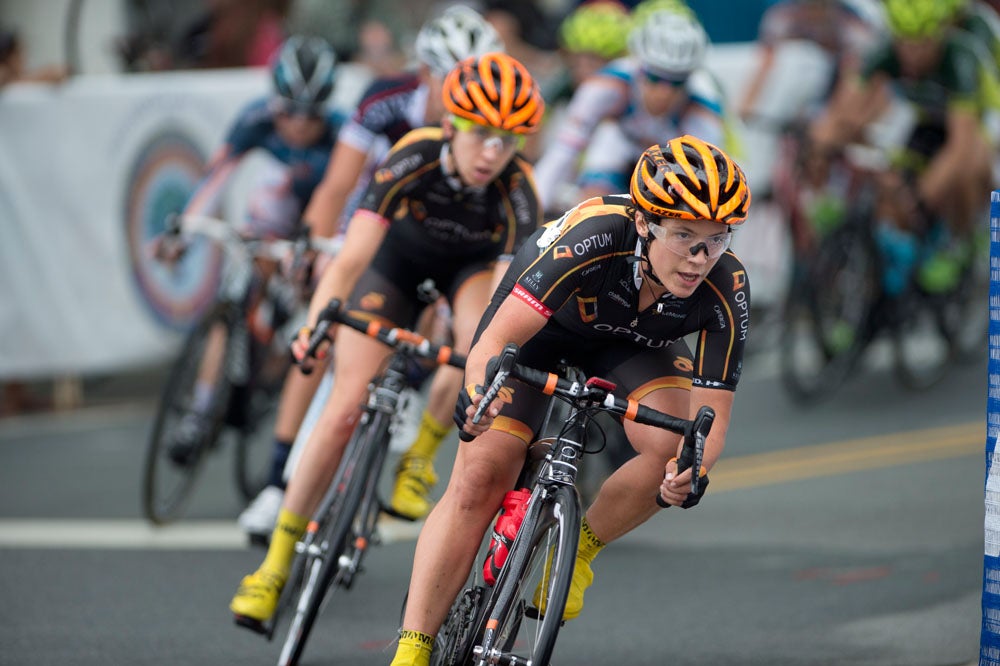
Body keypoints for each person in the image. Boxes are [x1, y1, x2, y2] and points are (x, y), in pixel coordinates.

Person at [387, 134, 751, 666]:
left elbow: (711, 417)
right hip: (543, 330)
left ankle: (577, 549)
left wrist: (690, 472)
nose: (699, 258)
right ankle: (413, 647)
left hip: (632, 343)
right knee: (482, 473)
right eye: (683, 236)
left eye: (717, 239)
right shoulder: (595, 235)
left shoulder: (726, 282)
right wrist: (476, 394)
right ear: (645, 222)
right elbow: (494, 341)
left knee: (674, 448)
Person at [228, 51, 546, 630]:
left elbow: (505, 303)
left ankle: (419, 455)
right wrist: (316, 321)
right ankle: (274, 565)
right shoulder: (413, 154)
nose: (493, 153)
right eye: (481, 134)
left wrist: (484, 364)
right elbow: (351, 256)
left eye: (509, 139)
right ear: (451, 123)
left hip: (468, 273)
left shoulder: (519, 189)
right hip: (393, 267)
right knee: (347, 402)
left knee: (482, 338)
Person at [236, 4, 506, 540]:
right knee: (325, 324)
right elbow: (338, 185)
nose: (468, 94)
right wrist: (314, 246)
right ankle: (275, 482)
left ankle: (397, 404)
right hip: (371, 223)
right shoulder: (384, 103)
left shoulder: (487, 131)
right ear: (425, 73)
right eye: (453, 80)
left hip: (439, 240)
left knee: (445, 317)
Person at [152, 36, 345, 464]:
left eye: (309, 114)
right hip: (278, 209)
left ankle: (280, 364)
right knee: (238, 287)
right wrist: (181, 232)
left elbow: (351, 200)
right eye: (287, 110)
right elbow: (215, 177)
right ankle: (201, 413)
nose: (296, 124)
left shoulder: (341, 133)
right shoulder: (255, 119)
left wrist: (322, 253)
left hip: (323, 215)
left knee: (314, 300)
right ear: (273, 102)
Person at [808, 0, 995, 296]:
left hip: (980, 125)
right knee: (891, 182)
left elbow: (961, 146)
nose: (911, 54)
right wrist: (820, 152)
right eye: (904, 43)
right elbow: (842, 114)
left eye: (922, 44)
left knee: (966, 167)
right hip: (929, 121)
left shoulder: (961, 56)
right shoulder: (886, 52)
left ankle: (960, 240)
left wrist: (918, 198)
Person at [531, 6, 729, 217]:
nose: (664, 91)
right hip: (618, 146)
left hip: (670, 167)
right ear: (638, 66)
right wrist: (532, 209)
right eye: (654, 77)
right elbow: (563, 150)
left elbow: (710, 188)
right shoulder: (608, 84)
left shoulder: (704, 105)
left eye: (676, 82)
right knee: (595, 199)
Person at [737, 0, 883, 122]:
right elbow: (765, 63)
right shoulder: (782, 17)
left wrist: (834, 122)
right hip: (797, 110)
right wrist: (745, 109)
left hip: (840, 102)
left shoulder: (852, 27)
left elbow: (857, 78)